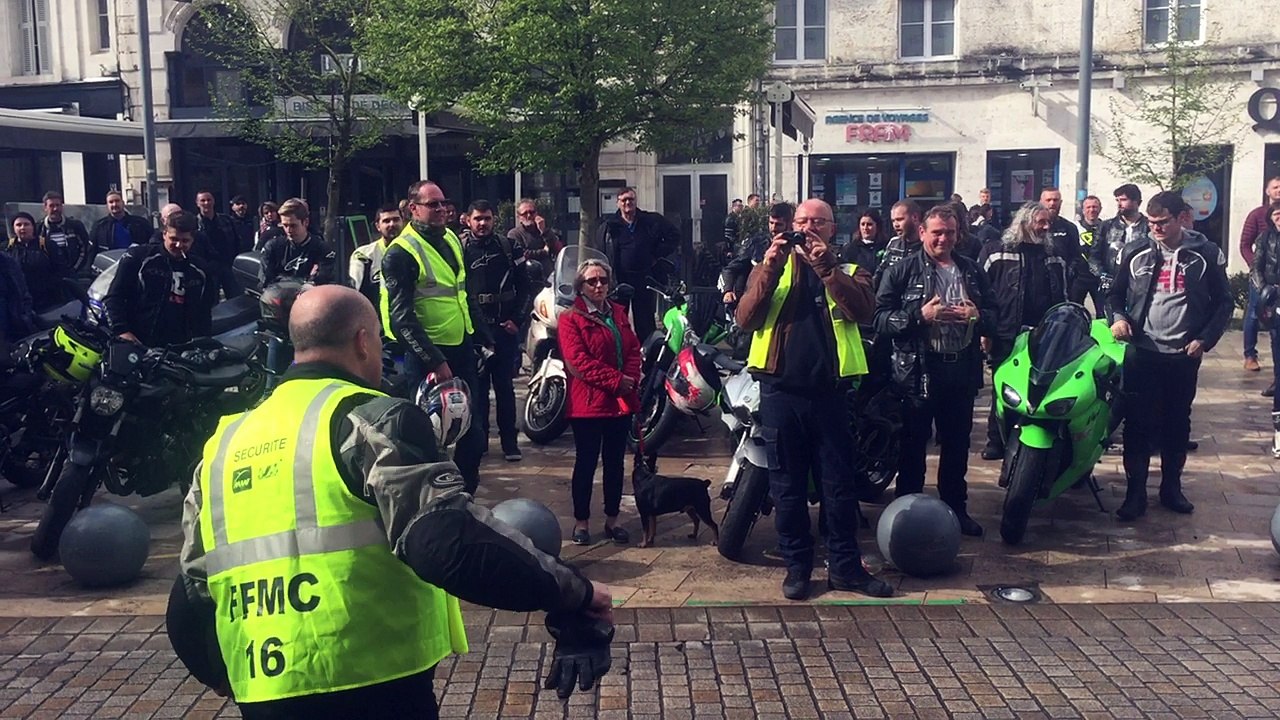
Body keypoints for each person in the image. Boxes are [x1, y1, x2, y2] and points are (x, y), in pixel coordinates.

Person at [168, 284, 614, 719]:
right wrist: (573, 592)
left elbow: (190, 593)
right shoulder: (371, 420)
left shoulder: (224, 443)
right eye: (380, 341)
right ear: (363, 341)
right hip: (372, 686)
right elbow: (446, 542)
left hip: (263, 689)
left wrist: (224, 676)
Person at [736, 198, 893, 601]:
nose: (807, 229)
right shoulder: (770, 266)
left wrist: (826, 268)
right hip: (780, 393)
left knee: (838, 487)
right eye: (801, 222)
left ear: (831, 229)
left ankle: (844, 569)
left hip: (831, 396)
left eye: (817, 223)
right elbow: (745, 318)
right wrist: (769, 265)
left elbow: (862, 311)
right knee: (786, 487)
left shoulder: (852, 270)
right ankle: (798, 568)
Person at [1108, 191, 1231, 521]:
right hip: (1143, 352)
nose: (1155, 228)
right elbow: (1115, 295)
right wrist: (1118, 318)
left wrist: (1204, 339)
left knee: (1177, 424)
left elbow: (1224, 303)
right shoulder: (1135, 250)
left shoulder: (1205, 253)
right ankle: (1135, 494)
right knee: (1137, 424)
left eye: (1162, 222)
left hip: (1183, 354)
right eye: (1151, 223)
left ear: (1181, 218)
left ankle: (1171, 488)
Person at [875, 205, 993, 538]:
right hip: (917, 373)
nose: (943, 239)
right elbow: (878, 318)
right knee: (912, 448)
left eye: (950, 233)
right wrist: (918, 316)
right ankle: (906, 516)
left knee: (956, 446)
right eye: (937, 232)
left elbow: (999, 316)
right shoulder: (902, 269)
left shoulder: (970, 270)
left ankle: (956, 510)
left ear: (958, 234)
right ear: (923, 232)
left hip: (961, 371)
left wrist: (978, 315)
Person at [381, 180, 492, 494]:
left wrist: (482, 336)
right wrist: (434, 361)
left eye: (444, 203)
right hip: (428, 357)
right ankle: (432, 497)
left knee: (474, 432)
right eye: (433, 205)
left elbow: (463, 292)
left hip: (461, 347)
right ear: (413, 208)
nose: (442, 209)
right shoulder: (401, 253)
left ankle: (467, 493)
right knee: (428, 436)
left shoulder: (453, 240)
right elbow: (401, 318)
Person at [559, 259, 641, 546]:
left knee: (615, 463)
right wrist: (616, 380)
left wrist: (629, 378)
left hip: (618, 403)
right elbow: (578, 363)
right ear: (581, 287)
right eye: (592, 281)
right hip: (588, 404)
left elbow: (633, 347)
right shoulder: (570, 319)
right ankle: (581, 521)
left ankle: (613, 519)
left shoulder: (618, 312)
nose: (599, 286)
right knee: (586, 462)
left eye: (603, 280)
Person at [977, 202, 1067, 460]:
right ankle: (996, 440)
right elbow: (979, 291)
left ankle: (1031, 445)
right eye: (1041, 221)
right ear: (1024, 222)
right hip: (1006, 332)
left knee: (1039, 389)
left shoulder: (1054, 254)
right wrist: (985, 330)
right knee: (1002, 388)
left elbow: (1062, 295)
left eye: (1047, 222)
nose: (1046, 226)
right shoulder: (995, 252)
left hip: (1044, 336)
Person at [463, 200, 531, 462]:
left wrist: (518, 319)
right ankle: (479, 441)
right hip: (476, 331)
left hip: (505, 328)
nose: (483, 223)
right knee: (477, 390)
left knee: (505, 388)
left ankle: (510, 443)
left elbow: (526, 285)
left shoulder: (508, 246)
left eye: (487, 218)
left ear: (494, 220)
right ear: (468, 220)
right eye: (478, 218)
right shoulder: (459, 249)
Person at [104, 210, 212, 347]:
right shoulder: (139, 258)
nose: (179, 245)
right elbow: (113, 297)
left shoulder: (200, 270)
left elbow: (204, 312)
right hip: (139, 342)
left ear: (193, 240)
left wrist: (204, 344)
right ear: (164, 234)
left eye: (185, 241)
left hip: (181, 347)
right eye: (174, 239)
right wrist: (121, 331)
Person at [596, 187, 681, 342]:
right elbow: (601, 252)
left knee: (645, 322)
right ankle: (620, 354)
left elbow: (674, 236)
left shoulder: (651, 221)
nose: (628, 203)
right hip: (620, 280)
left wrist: (657, 254)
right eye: (624, 200)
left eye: (631, 199)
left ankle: (648, 359)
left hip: (645, 278)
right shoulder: (609, 226)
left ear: (636, 202)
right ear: (618, 204)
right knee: (618, 320)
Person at [1241, 176, 1280, 373]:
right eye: (1275, 187)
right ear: (1267, 191)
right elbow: (1245, 244)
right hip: (1261, 278)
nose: (1278, 190)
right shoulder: (1257, 215)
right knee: (1255, 314)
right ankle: (1250, 354)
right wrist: (1256, 270)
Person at [1250, 201, 1280, 455]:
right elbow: (1256, 267)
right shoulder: (1265, 238)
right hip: (1275, 300)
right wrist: (1264, 291)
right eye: (1277, 215)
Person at [721, 202, 793, 306]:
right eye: (771, 223)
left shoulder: (797, 246)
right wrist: (727, 291)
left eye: (779, 224)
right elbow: (730, 269)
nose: (773, 228)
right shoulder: (757, 244)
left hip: (788, 302)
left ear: (789, 224)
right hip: (757, 302)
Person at [1093, 184, 1149, 314]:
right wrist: (1102, 275)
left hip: (1139, 286)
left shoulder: (1149, 226)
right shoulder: (1106, 226)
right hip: (1111, 286)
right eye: (1117, 200)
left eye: (1123, 200)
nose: (1119, 204)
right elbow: (1094, 256)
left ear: (1137, 202)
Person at [259, 199, 337, 285]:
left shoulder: (322, 249)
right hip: (279, 296)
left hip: (311, 297)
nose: (289, 230)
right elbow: (266, 281)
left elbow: (325, 280)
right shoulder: (272, 247)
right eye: (285, 225)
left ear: (306, 222)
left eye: (293, 225)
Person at [1040, 187, 1094, 307]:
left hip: (1063, 285)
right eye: (1048, 200)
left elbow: (1075, 255)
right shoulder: (1032, 226)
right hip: (1039, 284)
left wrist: (1070, 273)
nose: (1052, 203)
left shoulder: (1069, 227)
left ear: (1060, 202)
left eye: (1055, 200)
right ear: (1041, 202)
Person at [6, 211, 71, 312]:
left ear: (33, 227)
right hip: (18, 304)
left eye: (26, 224)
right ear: (14, 228)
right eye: (18, 225)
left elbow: (61, 270)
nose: (22, 228)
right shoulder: (7, 249)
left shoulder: (47, 245)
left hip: (47, 302)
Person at [350, 204, 403, 309]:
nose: (392, 224)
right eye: (386, 221)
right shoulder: (364, 255)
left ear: (403, 222)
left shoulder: (415, 251)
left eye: (396, 220)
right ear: (378, 226)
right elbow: (355, 290)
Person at [196, 190, 242, 299]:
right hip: (209, 268)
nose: (206, 203)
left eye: (209, 200)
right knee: (211, 301)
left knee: (235, 298)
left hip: (228, 264)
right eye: (203, 200)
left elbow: (237, 241)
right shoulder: (194, 223)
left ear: (214, 201)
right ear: (197, 203)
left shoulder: (226, 220)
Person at [507, 199, 564, 281]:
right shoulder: (514, 234)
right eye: (525, 213)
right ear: (519, 217)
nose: (529, 216)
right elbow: (522, 255)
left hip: (549, 278)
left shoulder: (543, 230)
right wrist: (544, 252)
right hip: (528, 280)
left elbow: (556, 247)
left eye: (531, 212)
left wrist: (544, 231)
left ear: (536, 214)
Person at [38, 191, 92, 275]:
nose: (55, 209)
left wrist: (74, 270)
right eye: (51, 206)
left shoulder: (75, 226)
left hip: (73, 274)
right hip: (48, 277)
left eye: (58, 205)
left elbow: (85, 249)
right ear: (45, 207)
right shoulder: (38, 228)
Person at [1074, 195, 1106, 316]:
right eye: (1088, 207)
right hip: (1079, 278)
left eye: (1095, 207)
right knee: (1075, 312)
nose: (1091, 210)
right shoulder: (1075, 228)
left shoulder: (1106, 227)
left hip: (1099, 278)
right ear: (1083, 210)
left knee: (1103, 313)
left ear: (1100, 209)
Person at [878, 199, 923, 279]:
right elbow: (881, 271)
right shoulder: (894, 243)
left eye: (900, 219)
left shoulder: (928, 244)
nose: (896, 224)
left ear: (915, 217)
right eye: (893, 221)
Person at [840, 209, 889, 274]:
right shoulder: (849, 249)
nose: (865, 228)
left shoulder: (887, 247)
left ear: (877, 226)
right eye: (863, 224)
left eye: (869, 224)